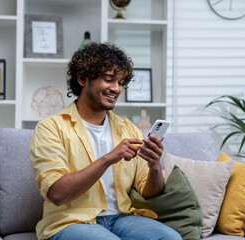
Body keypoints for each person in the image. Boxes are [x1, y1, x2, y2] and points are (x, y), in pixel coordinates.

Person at [29, 42, 182, 240]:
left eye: (121, 82)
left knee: (171, 238)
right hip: (72, 222)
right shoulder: (51, 128)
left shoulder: (128, 128)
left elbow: (149, 193)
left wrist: (153, 166)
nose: (116, 89)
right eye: (109, 80)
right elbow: (57, 193)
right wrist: (109, 158)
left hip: (122, 218)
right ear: (83, 78)